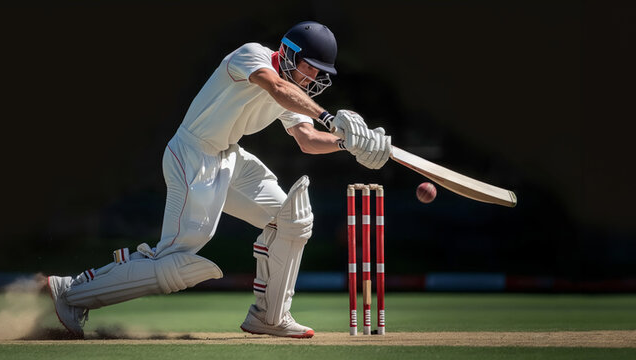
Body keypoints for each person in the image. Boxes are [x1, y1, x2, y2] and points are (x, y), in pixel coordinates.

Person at [45, 20, 391, 339]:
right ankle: (73, 292)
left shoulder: (295, 92)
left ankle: (269, 317)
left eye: (320, 72)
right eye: (309, 68)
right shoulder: (252, 55)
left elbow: (307, 139)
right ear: (289, 53)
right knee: (174, 259)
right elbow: (274, 86)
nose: (313, 77)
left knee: (293, 218)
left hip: (228, 156)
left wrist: (349, 143)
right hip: (192, 153)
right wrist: (330, 117)